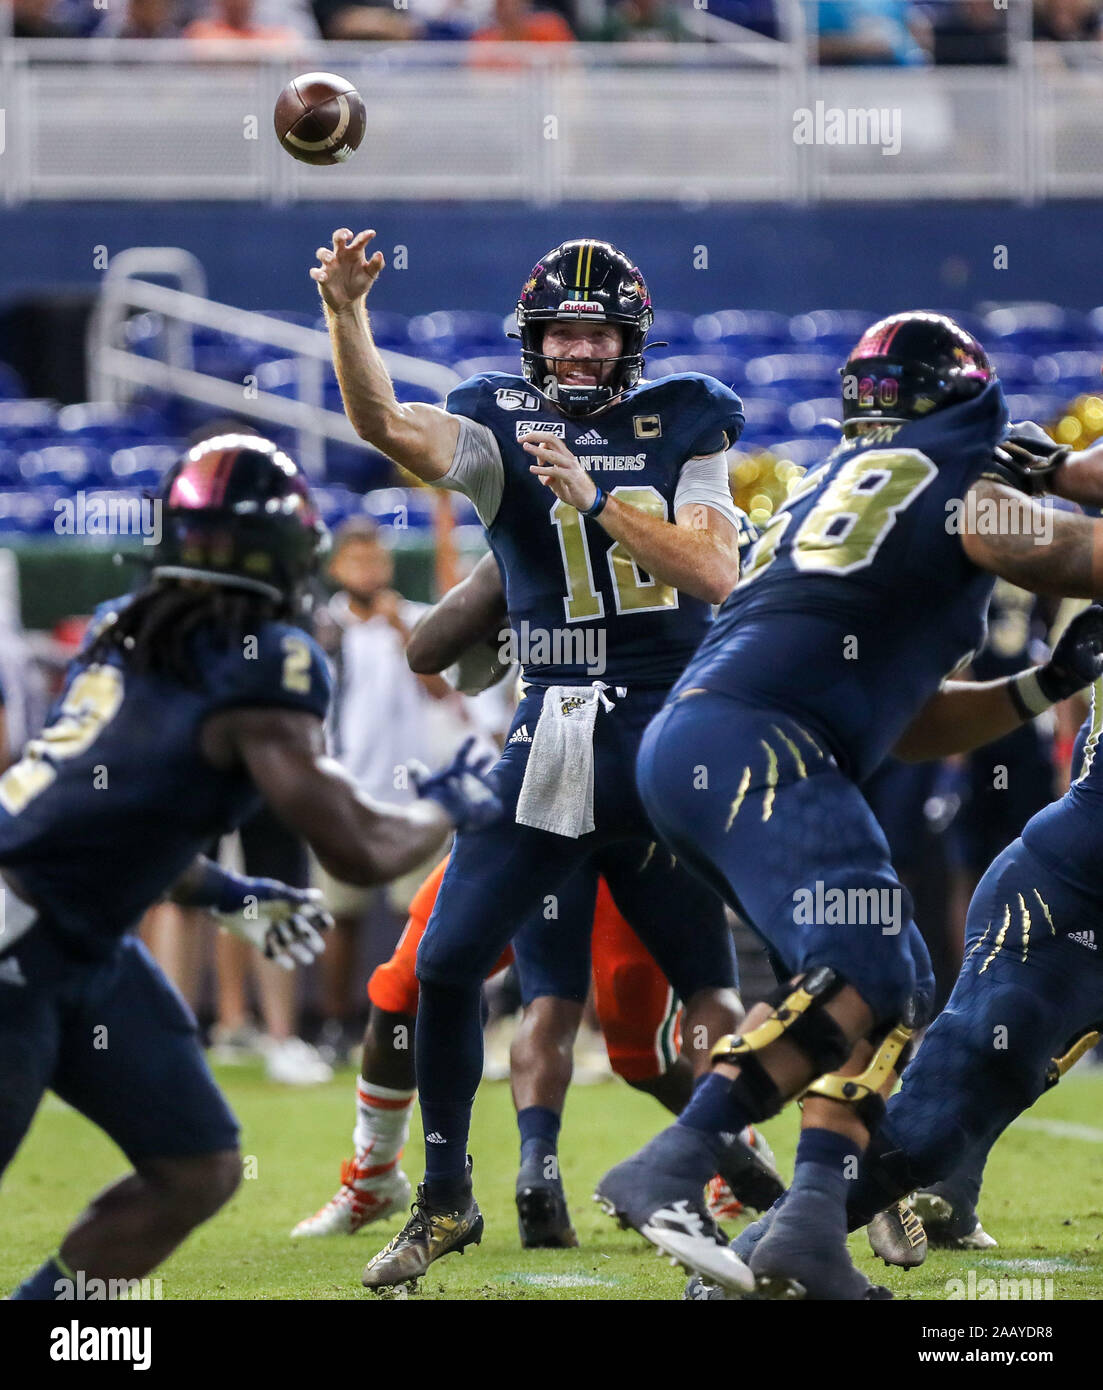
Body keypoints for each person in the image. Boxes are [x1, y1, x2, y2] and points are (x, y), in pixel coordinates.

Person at [595, 311, 1103, 1300]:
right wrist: (1055, 472)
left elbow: (906, 721)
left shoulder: (842, 485)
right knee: (871, 958)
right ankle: (671, 1163)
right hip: (762, 742)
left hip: (711, 740)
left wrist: (1039, 686)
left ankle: (812, 1228)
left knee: (890, 969)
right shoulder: (958, 486)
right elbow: (1068, 555)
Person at [313, 230, 753, 1290]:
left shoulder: (688, 414)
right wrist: (346, 313)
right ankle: (444, 1196)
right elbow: (383, 426)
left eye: (599, 333)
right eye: (563, 332)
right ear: (534, 340)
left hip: (665, 725)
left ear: (630, 341)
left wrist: (596, 500)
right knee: (444, 964)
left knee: (709, 991)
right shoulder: (494, 415)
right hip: (552, 730)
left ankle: (757, 1189)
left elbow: (713, 570)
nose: (581, 352)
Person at [1, 433, 501, 1300]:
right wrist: (447, 806)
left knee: (196, 1166)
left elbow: (104, 821)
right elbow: (357, 845)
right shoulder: (264, 655)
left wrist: (224, 889)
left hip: (84, 939)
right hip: (19, 947)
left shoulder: (130, 625)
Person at [292, 554, 782, 1247]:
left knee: (632, 1042)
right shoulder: (571, 525)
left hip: (600, 777)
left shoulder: (682, 536)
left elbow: (430, 651)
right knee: (407, 986)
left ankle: (725, 1151)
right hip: (572, 771)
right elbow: (440, 658)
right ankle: (379, 1174)